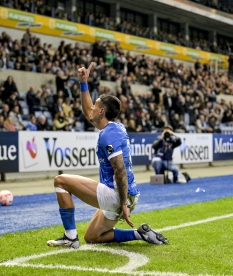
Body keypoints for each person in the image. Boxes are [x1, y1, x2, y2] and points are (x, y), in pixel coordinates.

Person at [47, 62, 168, 249]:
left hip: (118, 194)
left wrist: (123, 204)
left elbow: (120, 171)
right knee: (92, 237)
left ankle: (70, 238)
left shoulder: (108, 135)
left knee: (60, 181)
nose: (92, 109)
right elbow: (88, 112)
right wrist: (83, 83)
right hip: (127, 194)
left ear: (102, 111)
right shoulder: (114, 127)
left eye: (95, 106)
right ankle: (139, 233)